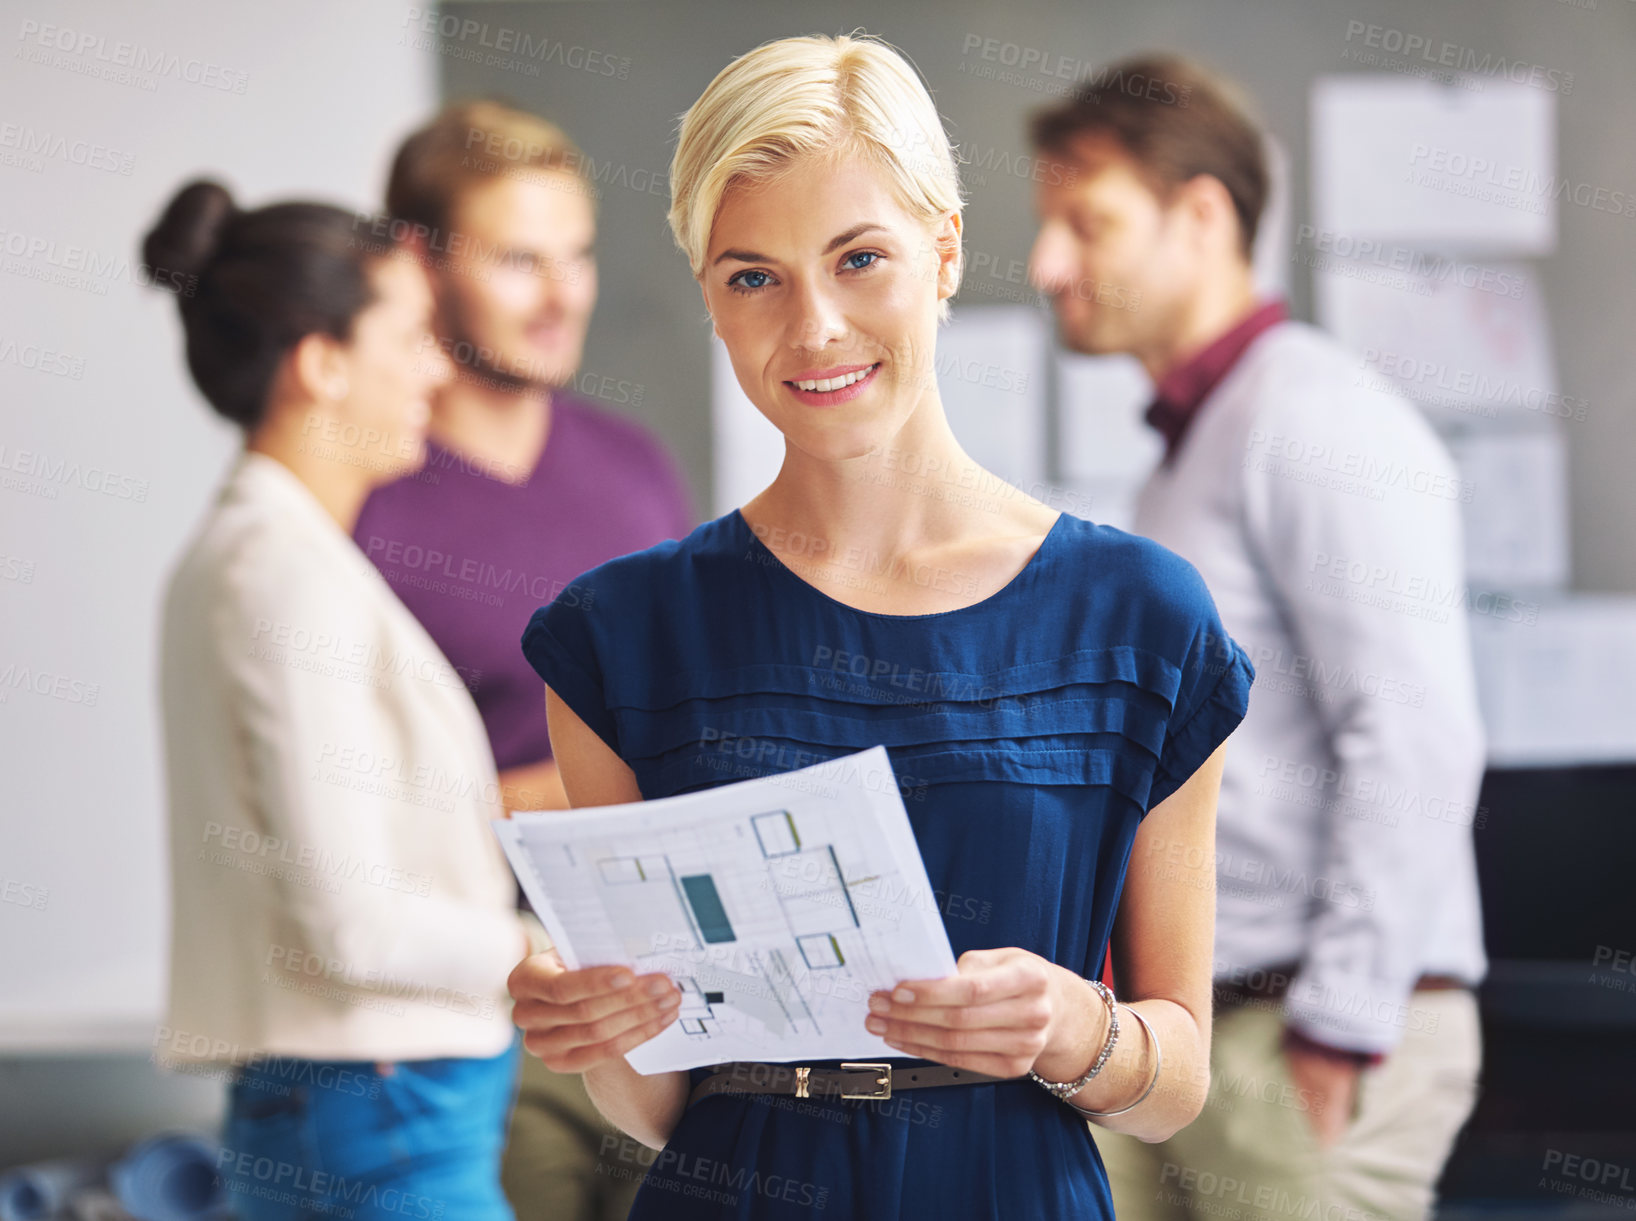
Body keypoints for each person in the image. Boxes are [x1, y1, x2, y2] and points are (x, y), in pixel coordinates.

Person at [505, 33, 1256, 1220]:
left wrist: (1071, 1026)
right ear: (707, 289)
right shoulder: (619, 636)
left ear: (945, 250)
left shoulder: (1140, 619)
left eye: (860, 259)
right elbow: (657, 1105)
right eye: (753, 276)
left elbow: (1174, 1084)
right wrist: (604, 1031)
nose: (814, 330)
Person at [1027, 54, 1486, 1220]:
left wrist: (1338, 1027)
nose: (1047, 266)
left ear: (1201, 216)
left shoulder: (1314, 418)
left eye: (1086, 224)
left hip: (1309, 1034)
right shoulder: (1197, 451)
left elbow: (1418, 731)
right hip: (1199, 1029)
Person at [148, 179, 528, 1220]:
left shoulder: (275, 556)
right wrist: (549, 953)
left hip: (379, 1107)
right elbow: (350, 924)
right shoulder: (278, 573)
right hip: (380, 1112)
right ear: (319, 364)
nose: (434, 370)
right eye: (409, 337)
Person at [351, 100, 695, 1219]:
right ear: (419, 260)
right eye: (518, 260)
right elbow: (334, 831)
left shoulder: (636, 471)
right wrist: (575, 793)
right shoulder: (357, 500)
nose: (562, 296)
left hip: (668, 988)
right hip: (464, 1019)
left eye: (578, 257)